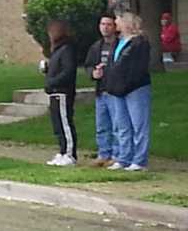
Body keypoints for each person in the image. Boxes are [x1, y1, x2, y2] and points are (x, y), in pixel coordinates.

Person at [105, 12, 153, 171]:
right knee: (122, 125)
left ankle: (139, 160)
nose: (115, 23)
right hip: (118, 89)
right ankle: (123, 157)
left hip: (135, 88)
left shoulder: (139, 43)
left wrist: (125, 83)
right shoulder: (118, 42)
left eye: (118, 20)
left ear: (127, 23)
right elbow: (114, 64)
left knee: (139, 124)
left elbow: (136, 68)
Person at [41, 18, 77, 166]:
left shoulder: (66, 49)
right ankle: (62, 151)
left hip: (62, 91)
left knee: (65, 123)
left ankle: (69, 153)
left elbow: (68, 71)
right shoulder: (56, 51)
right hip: (55, 92)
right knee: (57, 124)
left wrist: (52, 82)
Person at [83, 13, 118, 166]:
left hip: (115, 91)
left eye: (108, 24)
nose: (105, 27)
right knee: (102, 125)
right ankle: (103, 153)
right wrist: (93, 73)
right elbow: (88, 65)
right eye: (103, 24)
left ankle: (117, 155)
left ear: (115, 27)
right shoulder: (96, 47)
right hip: (101, 90)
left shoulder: (119, 45)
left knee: (117, 125)